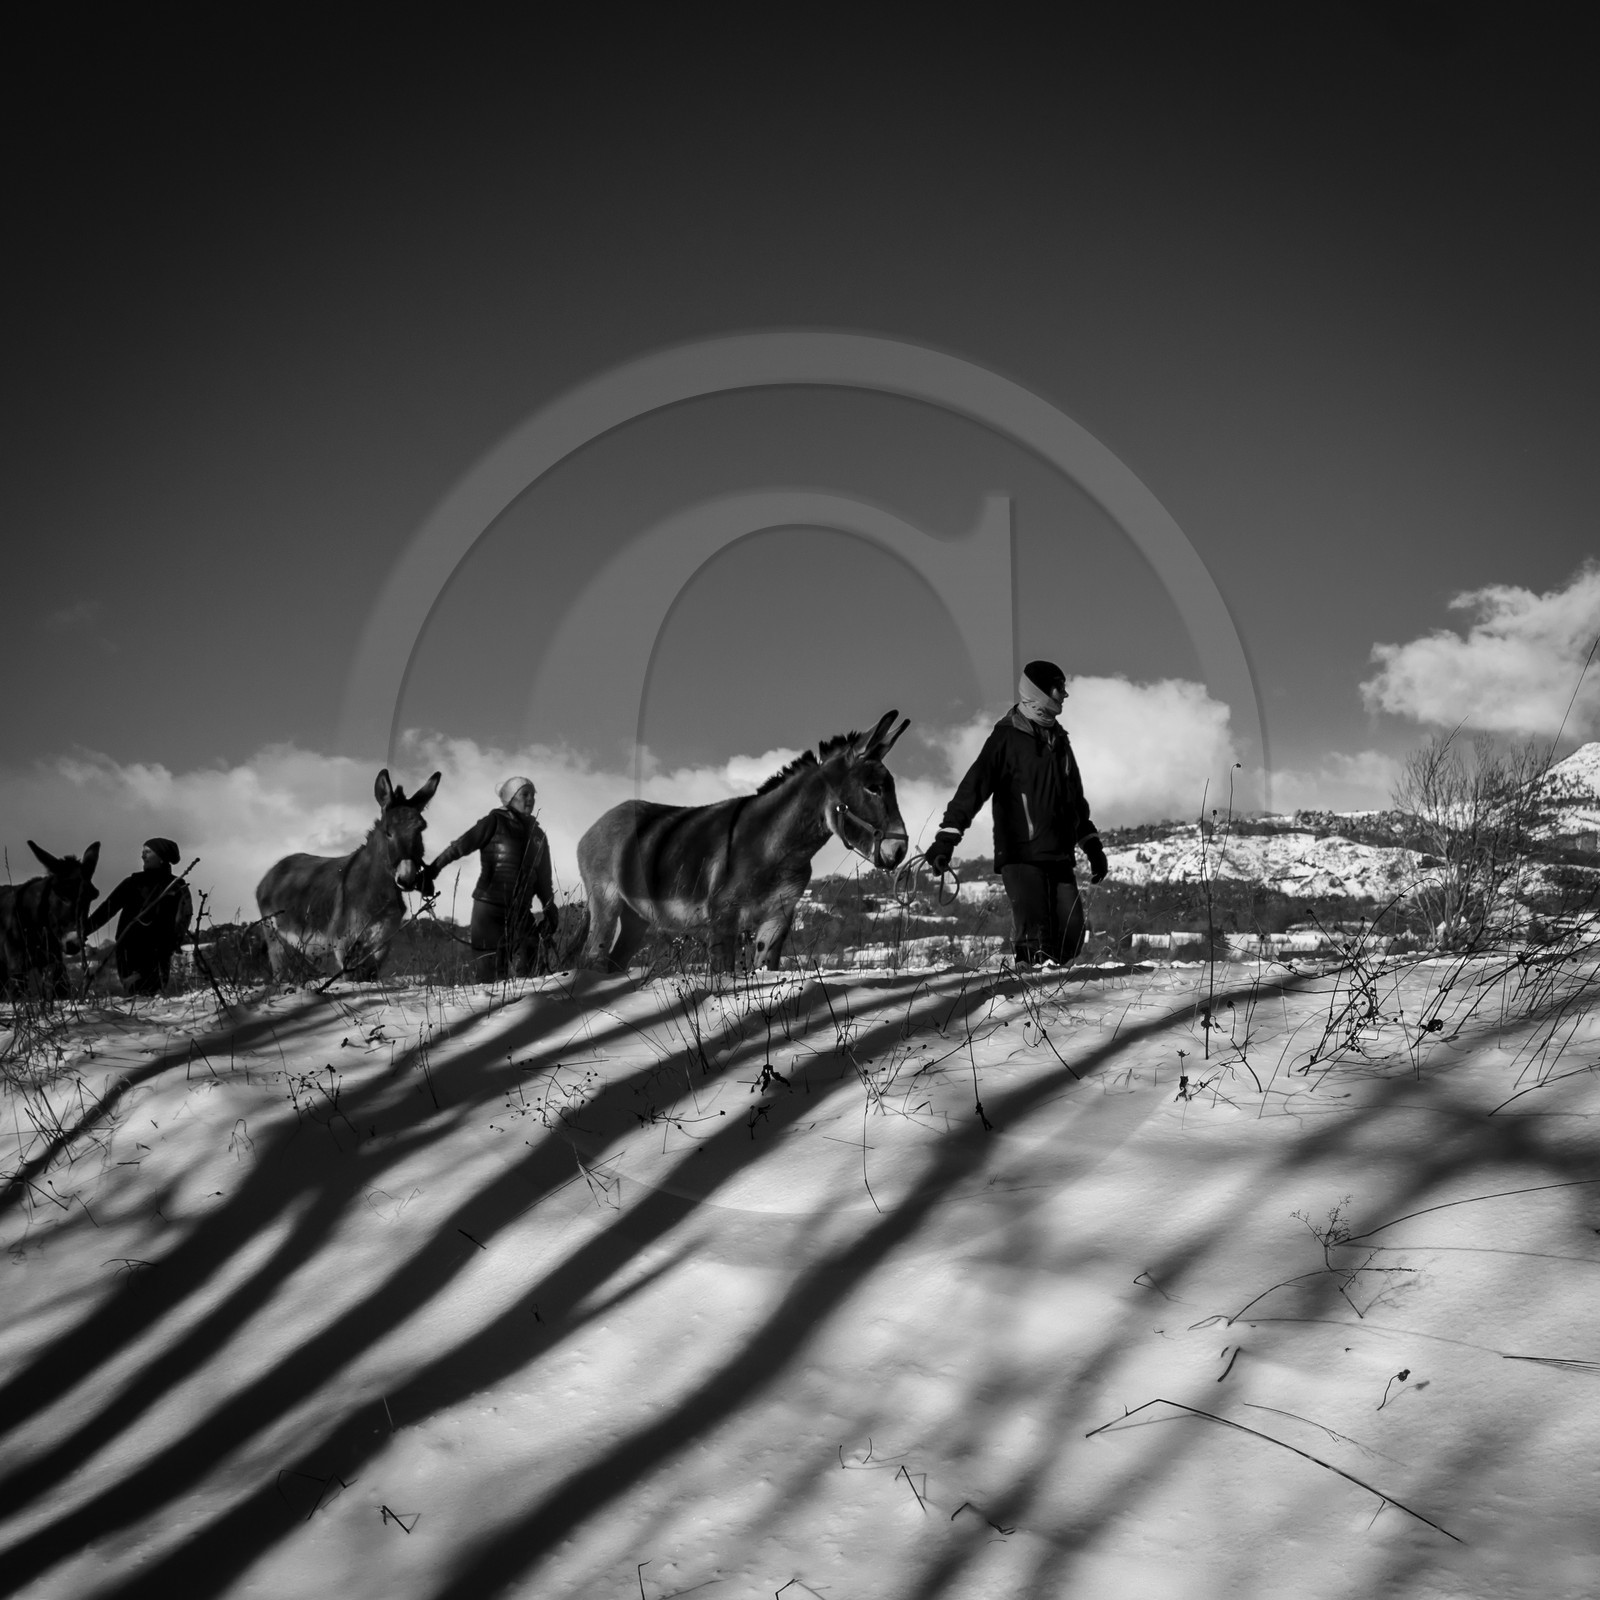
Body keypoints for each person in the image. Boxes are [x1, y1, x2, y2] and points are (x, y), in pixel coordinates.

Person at [925, 661, 1109, 969]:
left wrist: (1092, 846)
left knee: (1073, 934)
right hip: (1021, 855)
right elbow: (972, 789)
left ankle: (1052, 997)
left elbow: (1075, 802)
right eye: (1058, 688)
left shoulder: (1060, 742)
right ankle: (1031, 1001)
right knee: (1035, 940)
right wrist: (947, 838)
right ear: (1039, 692)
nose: (1064, 694)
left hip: (1060, 856)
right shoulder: (1006, 738)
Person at [424, 776, 560, 980]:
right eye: (525, 794)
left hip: (521, 913)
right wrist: (431, 871)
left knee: (530, 972)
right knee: (490, 979)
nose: (530, 799)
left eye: (533, 795)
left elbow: (543, 880)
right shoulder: (494, 822)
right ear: (510, 798)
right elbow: (460, 846)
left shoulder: (538, 835)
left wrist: (551, 911)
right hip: (488, 911)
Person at [85, 837, 194, 994]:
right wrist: (82, 932)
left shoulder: (177, 885)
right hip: (129, 952)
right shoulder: (132, 883)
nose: (143, 856)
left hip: (158, 953)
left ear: (162, 857)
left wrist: (172, 944)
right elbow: (106, 910)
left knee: (150, 1000)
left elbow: (184, 917)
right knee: (136, 998)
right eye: (142, 852)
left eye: (148, 852)